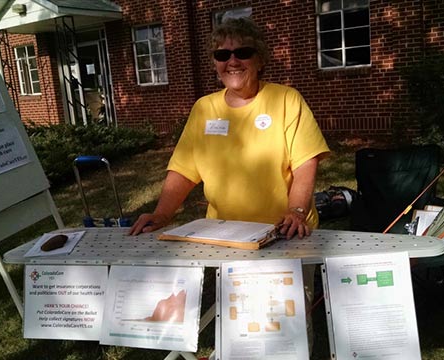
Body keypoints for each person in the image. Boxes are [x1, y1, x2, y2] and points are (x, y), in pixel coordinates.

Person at [128, 17, 329, 239]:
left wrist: (297, 211)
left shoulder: (286, 100)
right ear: (215, 63)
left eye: (243, 53)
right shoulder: (204, 108)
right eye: (222, 55)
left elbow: (305, 163)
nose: (232, 61)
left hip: (283, 231)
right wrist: (162, 214)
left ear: (260, 60)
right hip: (224, 235)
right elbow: (183, 170)